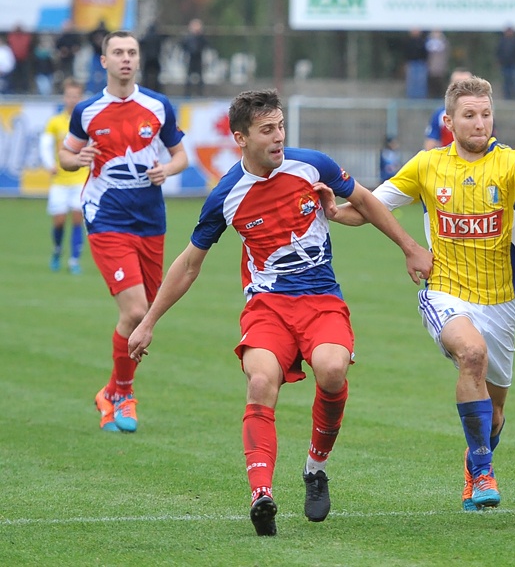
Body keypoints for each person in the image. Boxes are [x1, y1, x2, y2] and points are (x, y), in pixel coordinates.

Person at [127, 89, 432, 536]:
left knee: (332, 370)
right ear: (240, 138)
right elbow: (190, 264)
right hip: (267, 308)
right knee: (260, 380)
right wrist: (148, 321)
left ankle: (314, 469)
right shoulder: (226, 195)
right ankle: (261, 495)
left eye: (281, 126)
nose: (279, 138)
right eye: (267, 130)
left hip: (321, 300)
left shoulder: (313, 166)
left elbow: (365, 201)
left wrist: (410, 248)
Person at [327, 75, 515, 512]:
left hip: (501, 301)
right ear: (449, 121)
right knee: (471, 355)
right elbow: (370, 207)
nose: (480, 123)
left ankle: (475, 463)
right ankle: (485, 469)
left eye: (486, 114)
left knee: (497, 411)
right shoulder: (426, 165)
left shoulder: (513, 164)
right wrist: (334, 211)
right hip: (445, 292)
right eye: (469, 115)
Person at [58, 30, 189, 434]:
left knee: (144, 316)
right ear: (104, 62)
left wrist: (167, 169)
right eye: (118, 52)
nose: (126, 58)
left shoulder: (158, 105)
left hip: (150, 220)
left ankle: (110, 392)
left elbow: (181, 155)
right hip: (106, 217)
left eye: (132, 52)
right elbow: (65, 155)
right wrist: (76, 158)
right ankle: (126, 394)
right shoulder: (88, 111)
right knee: (134, 312)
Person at [41, 78, 88, 273]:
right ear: (64, 97)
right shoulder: (55, 122)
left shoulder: (86, 121)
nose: (72, 100)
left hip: (80, 179)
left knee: (78, 218)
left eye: (76, 96)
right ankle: (57, 249)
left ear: (81, 97)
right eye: (69, 96)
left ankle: (74, 260)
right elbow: (45, 144)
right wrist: (49, 164)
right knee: (59, 220)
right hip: (60, 179)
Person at [423, 67, 473, 150]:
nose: (461, 88)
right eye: (457, 84)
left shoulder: (482, 114)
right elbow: (430, 144)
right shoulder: (440, 114)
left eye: (466, 85)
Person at [496, 25, 515, 100]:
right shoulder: (502, 41)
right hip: (505, 64)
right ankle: (507, 98)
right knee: (506, 82)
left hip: (514, 64)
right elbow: (498, 52)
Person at [182, 18, 209, 97]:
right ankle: (187, 93)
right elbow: (184, 45)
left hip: (198, 59)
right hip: (191, 58)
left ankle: (200, 93)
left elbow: (205, 45)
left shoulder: (201, 38)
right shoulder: (188, 38)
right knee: (189, 77)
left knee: (200, 77)